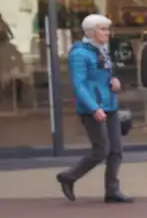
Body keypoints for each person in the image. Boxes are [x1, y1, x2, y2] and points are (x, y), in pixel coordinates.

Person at [56, 14, 131, 203]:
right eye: (103, 29)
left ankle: (112, 190)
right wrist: (93, 107)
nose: (107, 33)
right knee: (101, 150)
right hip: (93, 108)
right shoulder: (79, 54)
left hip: (109, 104)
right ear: (91, 32)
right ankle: (69, 176)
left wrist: (113, 82)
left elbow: (103, 76)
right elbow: (78, 85)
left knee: (116, 149)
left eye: (107, 29)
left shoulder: (103, 50)